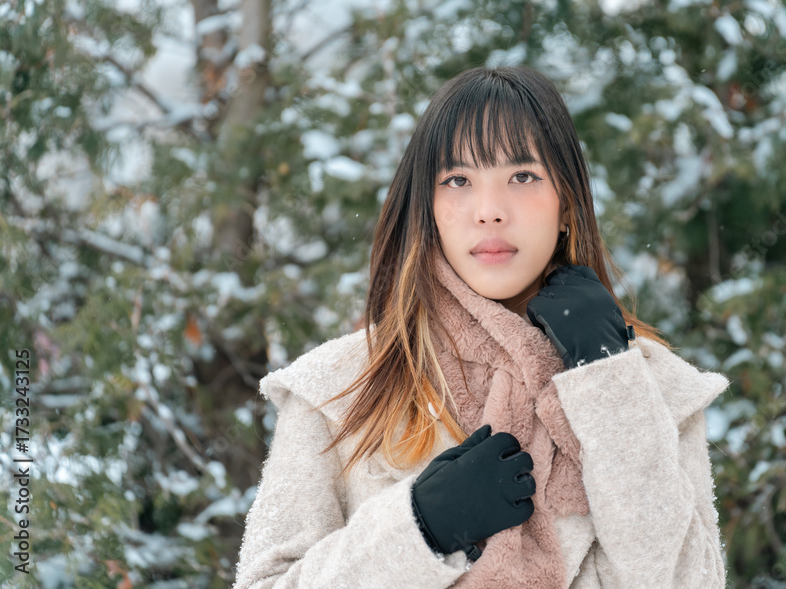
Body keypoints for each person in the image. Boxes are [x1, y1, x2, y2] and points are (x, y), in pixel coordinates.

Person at [232, 65, 730, 588]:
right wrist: (419, 527)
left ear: (566, 204)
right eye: (458, 180)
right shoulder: (340, 389)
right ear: (428, 208)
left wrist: (609, 380)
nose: (490, 211)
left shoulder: (652, 388)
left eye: (523, 176)